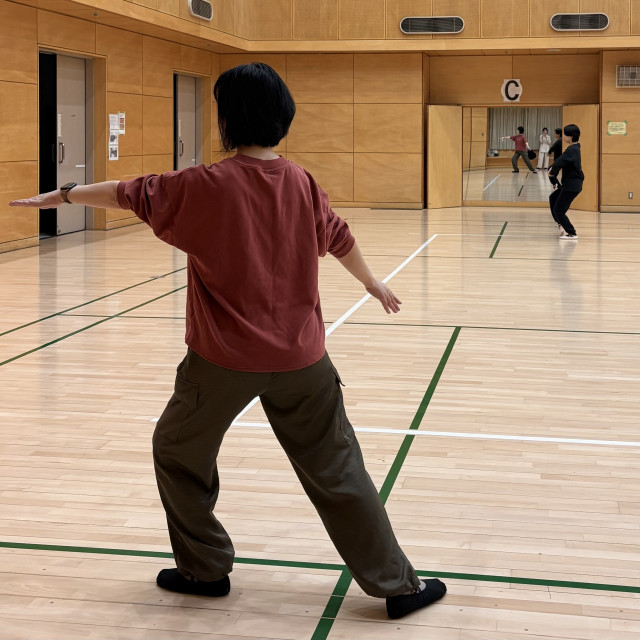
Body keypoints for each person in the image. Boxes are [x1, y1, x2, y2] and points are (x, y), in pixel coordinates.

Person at [9, 63, 446, 620]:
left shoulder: (201, 185)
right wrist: (371, 282)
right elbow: (338, 237)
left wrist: (65, 195)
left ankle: (204, 568)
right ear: (283, 115)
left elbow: (126, 193)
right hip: (303, 360)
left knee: (177, 451)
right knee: (338, 469)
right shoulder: (302, 182)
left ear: (225, 119)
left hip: (220, 362)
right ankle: (398, 587)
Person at [548, 124, 584, 239]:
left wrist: (552, 172)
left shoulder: (572, 150)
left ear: (571, 136)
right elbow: (561, 161)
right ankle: (560, 223)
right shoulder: (574, 148)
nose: (563, 136)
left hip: (571, 186)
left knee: (559, 210)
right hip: (570, 184)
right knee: (553, 198)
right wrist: (552, 170)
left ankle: (571, 233)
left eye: (565, 134)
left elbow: (559, 162)